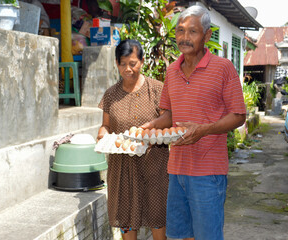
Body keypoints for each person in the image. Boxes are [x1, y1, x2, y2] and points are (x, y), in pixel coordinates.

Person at [140, 5, 246, 240]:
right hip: (176, 170)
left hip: (208, 172)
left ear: (207, 36)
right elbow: (170, 115)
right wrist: (152, 126)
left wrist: (204, 130)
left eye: (192, 32)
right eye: (180, 31)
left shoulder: (223, 68)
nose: (184, 38)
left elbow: (239, 115)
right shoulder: (171, 71)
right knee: (179, 236)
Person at [97, 39, 169, 240]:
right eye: (122, 64)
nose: (127, 69)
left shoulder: (156, 89)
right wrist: (102, 134)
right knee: (126, 219)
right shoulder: (111, 95)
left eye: (133, 63)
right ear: (116, 64)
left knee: (157, 217)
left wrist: (150, 127)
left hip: (153, 165)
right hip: (122, 169)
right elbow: (106, 125)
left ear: (142, 62)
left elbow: (169, 117)